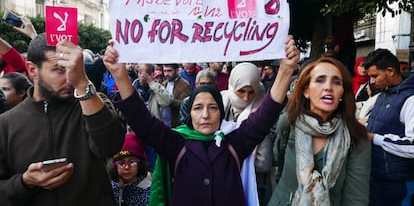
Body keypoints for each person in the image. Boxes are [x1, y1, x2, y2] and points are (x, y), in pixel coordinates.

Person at [103, 35, 299, 206]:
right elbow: (142, 120)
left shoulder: (236, 142)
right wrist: (120, 75)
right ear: (190, 114)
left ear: (221, 114)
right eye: (198, 108)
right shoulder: (176, 144)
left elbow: (266, 115)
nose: (205, 115)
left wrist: (285, 71)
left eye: (213, 108)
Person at [0, 33, 126, 205]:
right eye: (59, 69)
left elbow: (109, 146)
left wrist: (83, 86)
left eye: (74, 68)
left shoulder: (93, 102)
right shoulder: (6, 124)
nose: (69, 77)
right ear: (32, 70)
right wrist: (25, 182)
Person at [268, 56, 371, 206]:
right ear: (306, 91)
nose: (328, 87)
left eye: (336, 82)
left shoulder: (356, 135)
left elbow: (356, 198)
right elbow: (279, 167)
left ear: (342, 93)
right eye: (320, 80)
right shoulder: (288, 123)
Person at [362, 49, 414, 206]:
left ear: (390, 71)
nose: (371, 81)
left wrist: (374, 138)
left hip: (398, 184)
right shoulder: (384, 94)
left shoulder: (410, 99)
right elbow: (382, 124)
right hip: (377, 178)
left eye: (374, 76)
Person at [220, 62, 274, 205]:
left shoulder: (263, 113)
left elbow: (264, 163)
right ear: (232, 85)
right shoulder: (220, 102)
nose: (245, 98)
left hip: (252, 182)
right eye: (241, 91)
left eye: (251, 92)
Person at [111, 132, 152, 206]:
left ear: (140, 163)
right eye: (121, 163)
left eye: (132, 162)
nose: (127, 167)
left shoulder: (149, 192)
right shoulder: (110, 189)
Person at [162, 63, 192, 127]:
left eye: (169, 71)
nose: (166, 74)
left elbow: (184, 105)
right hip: (164, 122)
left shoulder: (185, 85)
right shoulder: (164, 83)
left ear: (177, 71)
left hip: (177, 124)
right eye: (165, 71)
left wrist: (169, 101)